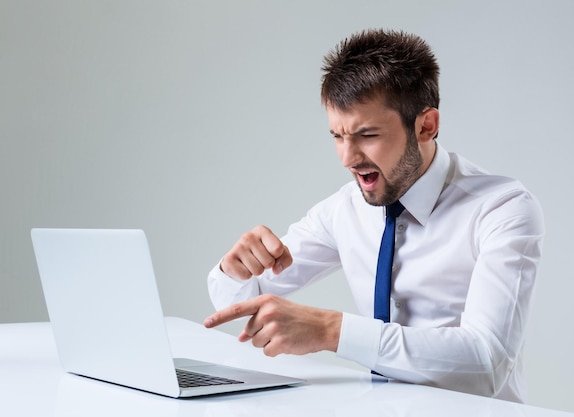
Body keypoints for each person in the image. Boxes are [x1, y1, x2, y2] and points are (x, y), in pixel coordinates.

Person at [204, 29, 544, 403]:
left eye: (367, 135)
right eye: (337, 136)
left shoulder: (501, 209)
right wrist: (235, 271)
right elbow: (241, 310)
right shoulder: (344, 209)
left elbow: (486, 363)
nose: (348, 159)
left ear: (426, 125)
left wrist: (331, 330)